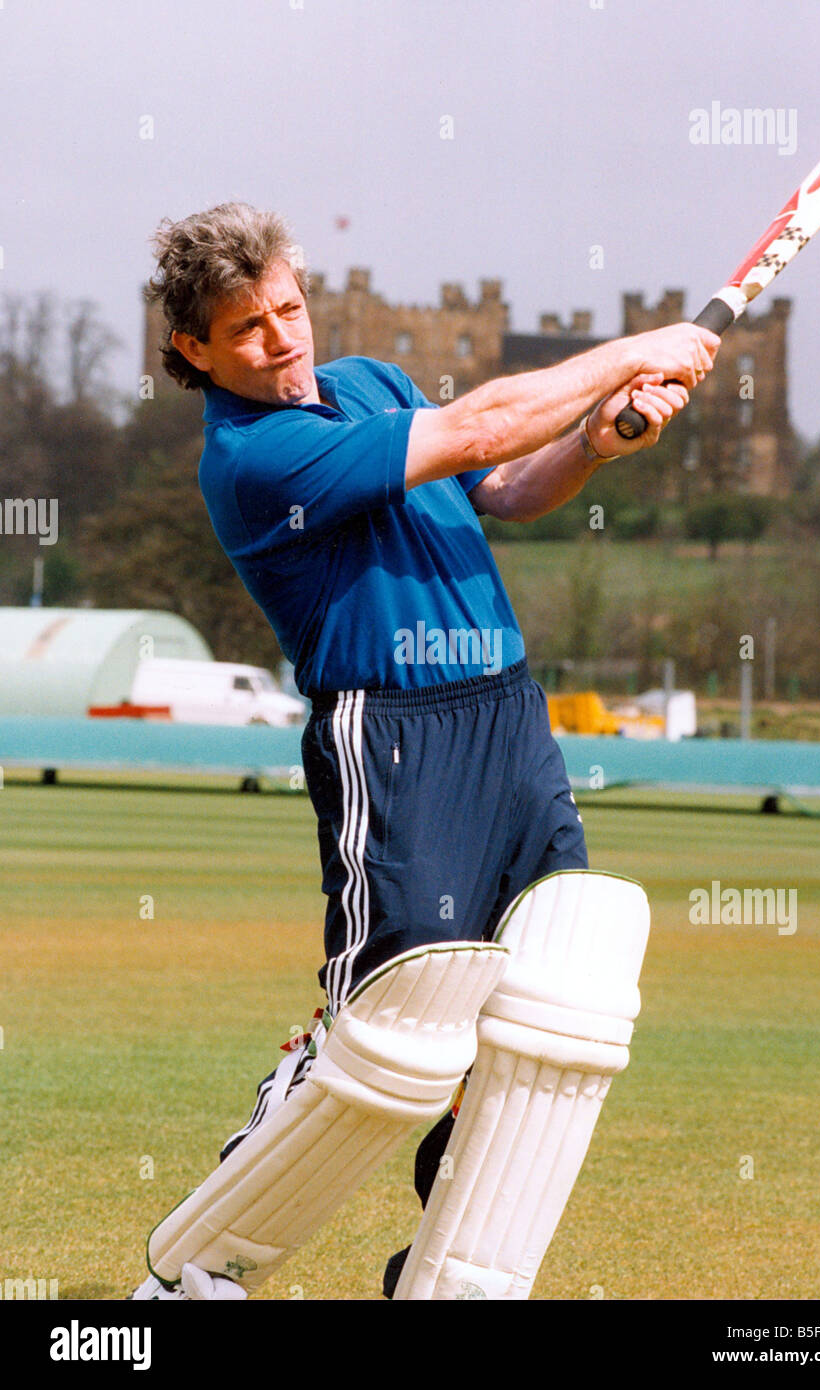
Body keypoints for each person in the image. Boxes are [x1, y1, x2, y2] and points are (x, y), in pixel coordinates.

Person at [132, 202, 718, 1300]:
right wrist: (635, 351)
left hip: (507, 715)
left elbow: (500, 486)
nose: (283, 338)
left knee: (555, 1007)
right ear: (192, 352)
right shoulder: (258, 457)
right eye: (247, 327)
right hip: (392, 736)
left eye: (290, 307)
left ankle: (451, 1277)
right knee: (392, 1029)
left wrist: (594, 439)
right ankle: (194, 1271)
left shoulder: (371, 382)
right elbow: (484, 428)